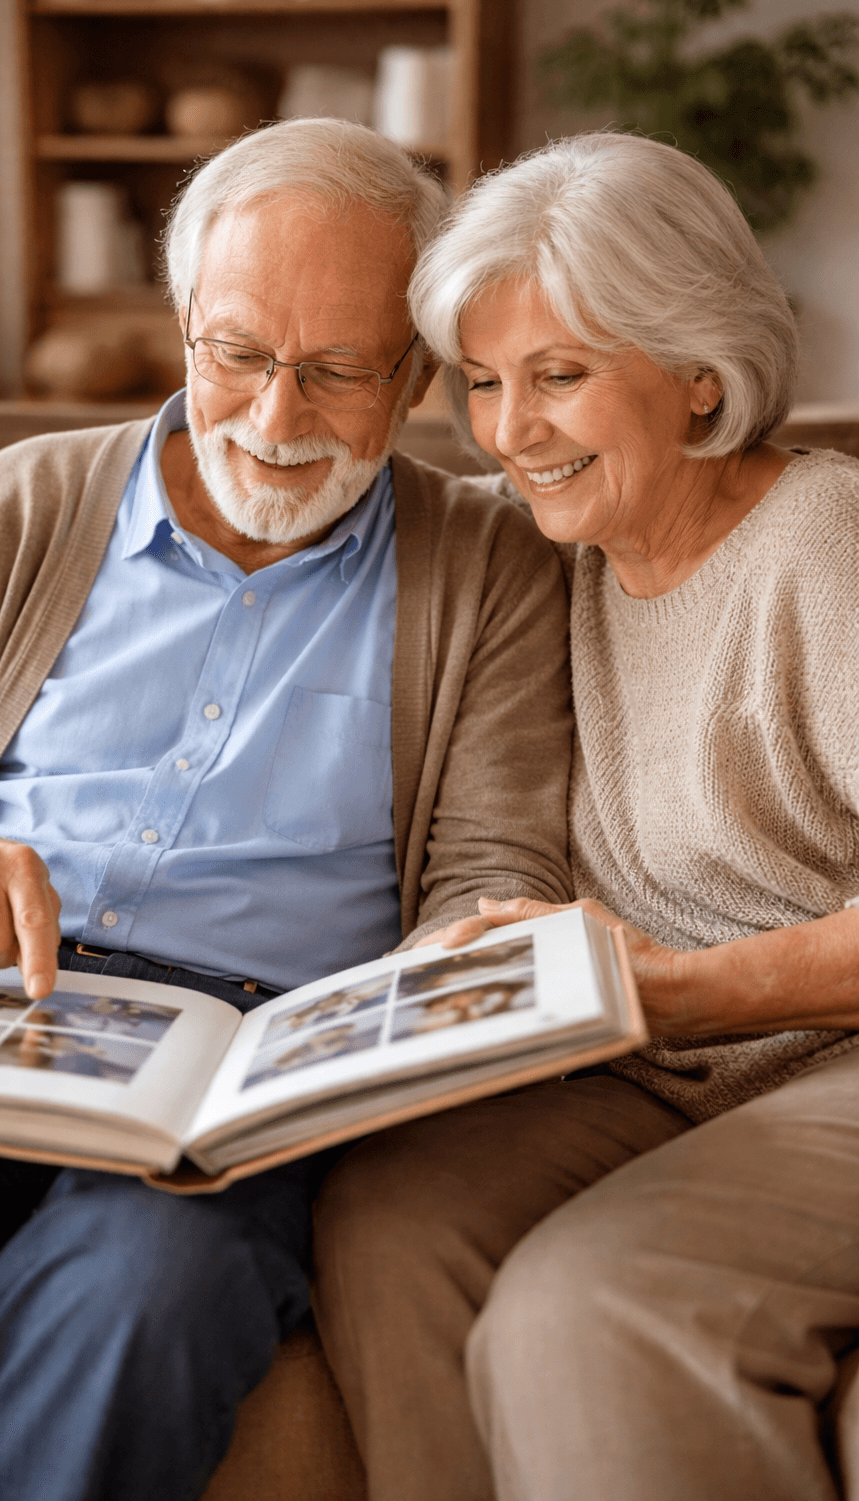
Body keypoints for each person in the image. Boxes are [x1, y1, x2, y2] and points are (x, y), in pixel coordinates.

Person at [0, 119, 573, 1501]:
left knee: (152, 1291)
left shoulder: (491, 567)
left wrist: (450, 965)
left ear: (415, 375)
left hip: (239, 1074)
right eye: (237, 354)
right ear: (182, 323)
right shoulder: (22, 505)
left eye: (337, 371)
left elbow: (496, 865)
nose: (276, 420)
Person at [311, 130, 859, 1501]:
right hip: (650, 1057)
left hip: (821, 1053)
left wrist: (685, 994)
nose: (511, 433)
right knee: (391, 1218)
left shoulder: (822, 548)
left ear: (699, 373)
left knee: (587, 1300)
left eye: (560, 377)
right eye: (486, 385)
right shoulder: (534, 548)